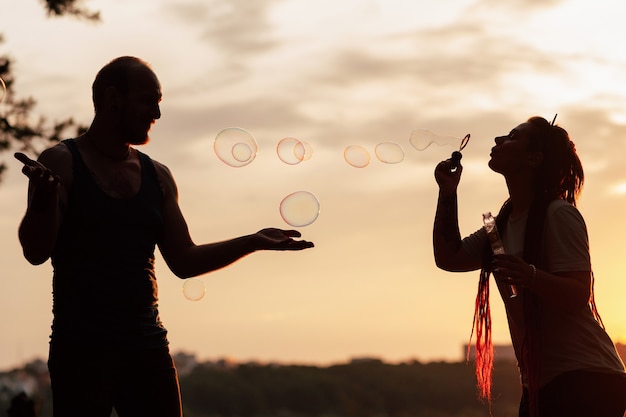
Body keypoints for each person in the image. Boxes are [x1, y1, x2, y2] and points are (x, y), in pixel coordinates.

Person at [14, 56, 314, 417]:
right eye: (148, 100)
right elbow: (35, 251)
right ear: (113, 98)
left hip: (147, 347)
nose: (157, 112)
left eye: (159, 101)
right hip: (80, 350)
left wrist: (253, 241)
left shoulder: (158, 176)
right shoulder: (60, 163)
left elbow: (184, 260)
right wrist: (44, 201)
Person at [433, 116, 626, 417]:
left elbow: (577, 292)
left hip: (587, 377)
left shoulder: (559, 214)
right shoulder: (498, 229)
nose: (498, 140)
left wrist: (530, 275)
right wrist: (447, 192)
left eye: (512, 136)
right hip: (541, 383)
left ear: (534, 158)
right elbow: (449, 257)